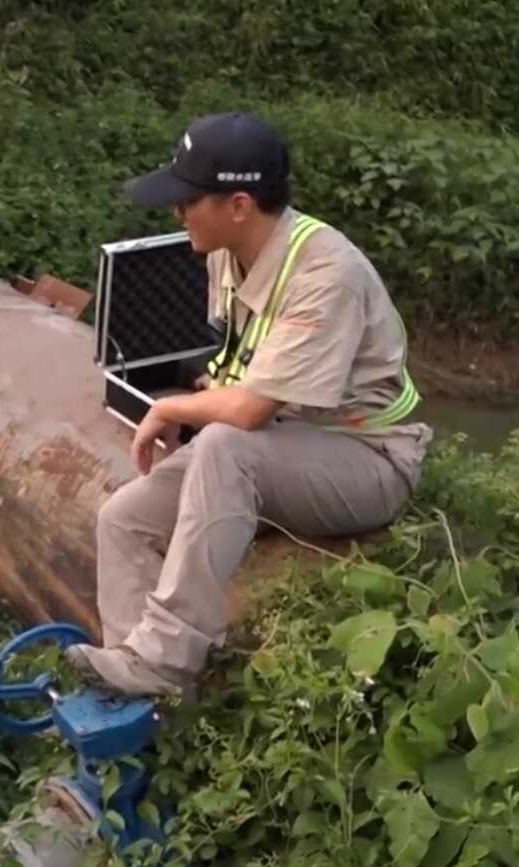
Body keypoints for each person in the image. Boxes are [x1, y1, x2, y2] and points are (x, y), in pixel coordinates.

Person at [67, 113, 433, 697]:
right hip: (284, 445)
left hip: (367, 459)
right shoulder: (225, 250)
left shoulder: (327, 274)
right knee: (124, 520)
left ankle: (166, 659)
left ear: (239, 205)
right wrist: (206, 395)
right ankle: (139, 688)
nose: (177, 213)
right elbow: (240, 365)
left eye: (189, 201)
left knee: (223, 444)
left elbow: (247, 414)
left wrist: (171, 410)